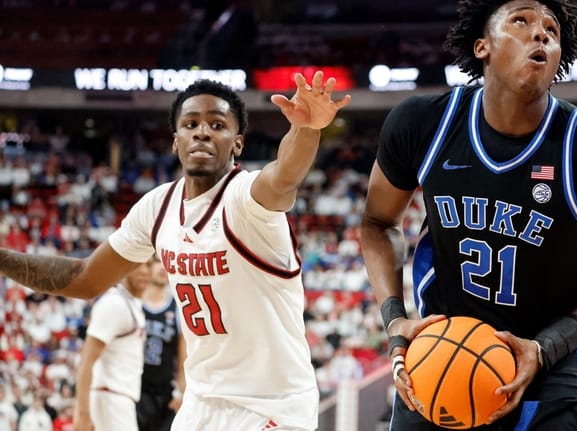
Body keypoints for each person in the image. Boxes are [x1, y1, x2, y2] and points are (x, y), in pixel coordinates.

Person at [360, 0, 577, 430]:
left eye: (551, 30)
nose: (541, 34)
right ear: (482, 46)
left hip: (553, 356)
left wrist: (549, 345)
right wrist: (394, 318)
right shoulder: (423, 122)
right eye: (522, 20)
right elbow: (376, 222)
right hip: (444, 348)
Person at [1, 72, 350, 431]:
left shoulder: (246, 199)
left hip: (272, 405)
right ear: (175, 141)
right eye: (191, 124)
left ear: (238, 144)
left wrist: (306, 129)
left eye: (217, 125)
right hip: (202, 404)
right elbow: (84, 279)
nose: (202, 132)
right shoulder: (157, 207)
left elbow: (284, 177)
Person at [75, 262, 150, 431]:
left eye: (148, 265)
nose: (144, 271)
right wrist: (82, 413)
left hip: (118, 399)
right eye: (138, 266)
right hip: (109, 398)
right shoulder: (114, 303)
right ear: (123, 269)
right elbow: (87, 360)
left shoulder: (132, 304)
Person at [137, 256, 185, 431]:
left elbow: (183, 359)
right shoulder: (134, 304)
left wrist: (181, 391)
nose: (163, 267)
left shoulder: (178, 308)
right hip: (135, 388)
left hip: (165, 394)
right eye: (157, 261)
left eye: (167, 262)